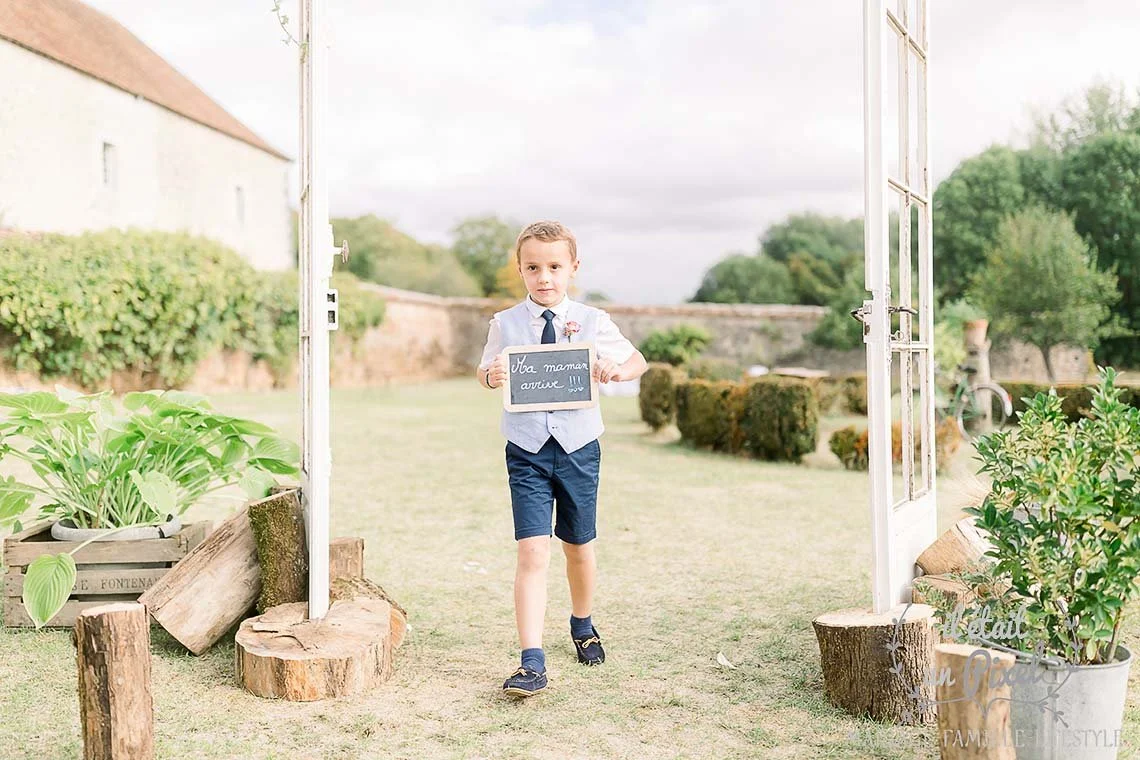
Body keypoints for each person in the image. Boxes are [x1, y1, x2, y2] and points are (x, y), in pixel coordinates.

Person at [476, 220, 648, 697]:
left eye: (554, 267)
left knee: (578, 546)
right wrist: (491, 376)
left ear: (573, 267)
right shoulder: (504, 323)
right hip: (526, 449)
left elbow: (637, 360)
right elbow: (484, 370)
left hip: (579, 449)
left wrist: (616, 370)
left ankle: (582, 623)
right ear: (520, 269)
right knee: (532, 550)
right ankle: (531, 661)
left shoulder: (593, 321)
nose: (544, 277)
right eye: (533, 268)